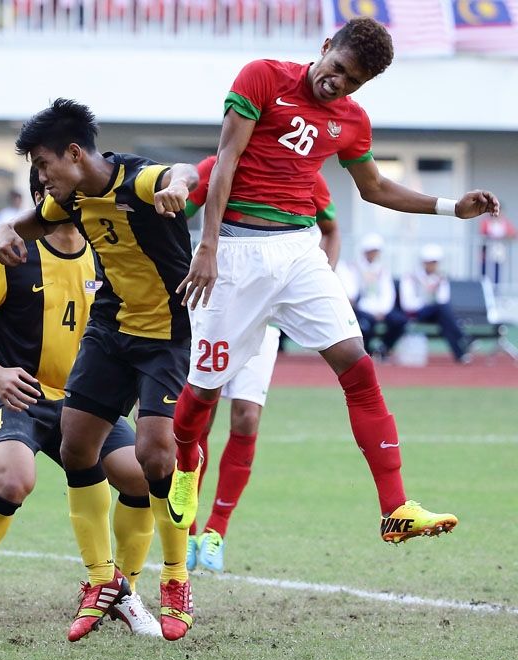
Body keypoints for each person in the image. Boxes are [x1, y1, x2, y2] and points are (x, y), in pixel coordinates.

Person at [168, 17, 499, 546]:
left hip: (300, 252)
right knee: (204, 391)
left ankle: (395, 507)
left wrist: (449, 207)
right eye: (339, 69)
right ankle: (186, 465)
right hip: (235, 251)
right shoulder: (262, 76)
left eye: (354, 81)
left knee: (357, 363)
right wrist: (207, 246)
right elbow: (224, 162)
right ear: (325, 48)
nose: (339, 84)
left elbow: (374, 187)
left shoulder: (351, 120)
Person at [0, 99, 200, 642]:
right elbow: (31, 223)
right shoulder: (72, 198)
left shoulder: (141, 180)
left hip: (166, 335)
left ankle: (175, 575)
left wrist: (179, 185)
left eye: (43, 164)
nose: (40, 177)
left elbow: (186, 172)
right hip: (110, 329)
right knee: (76, 447)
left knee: (156, 454)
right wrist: (4, 230)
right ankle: (102, 580)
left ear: (75, 153)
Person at [0, 168, 163, 639]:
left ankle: (119, 590)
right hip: (18, 396)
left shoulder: (104, 259)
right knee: (13, 479)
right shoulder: (12, 255)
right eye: (63, 193)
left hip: (85, 401)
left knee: (143, 474)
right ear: (42, 198)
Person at [182, 155, 341, 573]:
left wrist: (310, 286)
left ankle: (216, 531)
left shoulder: (305, 172)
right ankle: (186, 529)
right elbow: (177, 211)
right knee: (201, 416)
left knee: (247, 417)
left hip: (264, 319)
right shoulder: (217, 165)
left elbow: (330, 230)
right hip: (214, 309)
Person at [338, 233, 408, 358]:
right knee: (365, 325)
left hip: (381, 309)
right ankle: (367, 353)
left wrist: (382, 310)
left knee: (400, 321)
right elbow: (353, 293)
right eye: (371, 251)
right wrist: (370, 310)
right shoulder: (354, 268)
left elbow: (388, 293)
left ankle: (384, 348)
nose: (374, 254)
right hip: (362, 309)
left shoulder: (382, 270)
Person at [399, 244, 471, 363]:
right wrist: (428, 301)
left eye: (435, 262)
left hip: (436, 314)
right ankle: (463, 338)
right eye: (430, 262)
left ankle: (460, 354)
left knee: (444, 317)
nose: (433, 265)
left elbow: (444, 299)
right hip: (417, 314)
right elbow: (408, 304)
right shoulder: (411, 277)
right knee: (442, 311)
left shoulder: (440, 278)